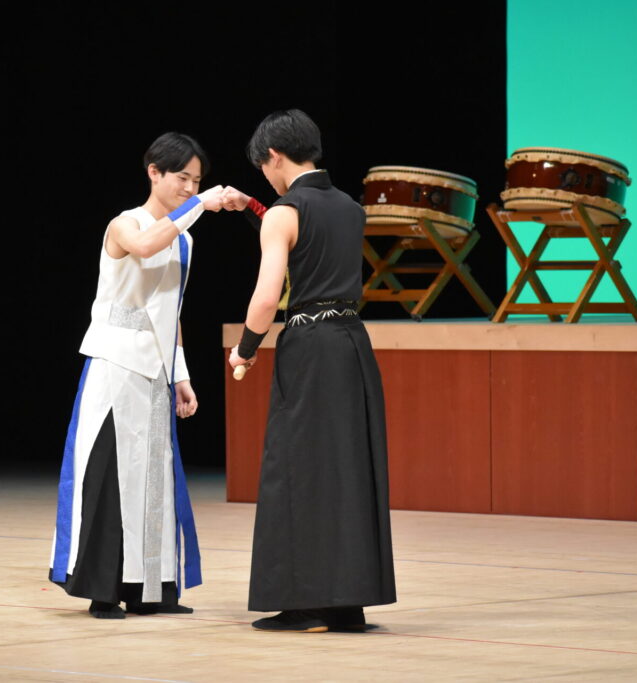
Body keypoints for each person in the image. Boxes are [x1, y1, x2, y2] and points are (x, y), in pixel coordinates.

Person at [225, 109, 396, 632]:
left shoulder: (284, 211)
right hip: (352, 343)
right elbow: (311, 242)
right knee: (345, 470)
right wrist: (253, 207)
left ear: (274, 156)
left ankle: (307, 605)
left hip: (310, 346)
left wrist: (245, 349)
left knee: (297, 469)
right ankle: (346, 604)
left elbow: (266, 297)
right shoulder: (350, 207)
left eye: (263, 168)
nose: (266, 179)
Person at [50, 132, 223, 619]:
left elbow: (173, 311)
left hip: (157, 369)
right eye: (182, 178)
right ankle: (103, 590)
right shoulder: (125, 224)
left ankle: (151, 590)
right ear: (154, 172)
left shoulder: (185, 238)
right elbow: (146, 247)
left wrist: (182, 374)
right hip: (115, 364)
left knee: (154, 479)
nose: (189, 188)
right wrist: (202, 205)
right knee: (110, 473)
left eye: (197, 181)